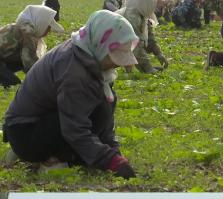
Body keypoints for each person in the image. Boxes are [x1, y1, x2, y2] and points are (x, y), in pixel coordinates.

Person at [2, 10, 139, 179]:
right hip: (24, 131)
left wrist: (114, 153)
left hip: (38, 123)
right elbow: (74, 129)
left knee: (104, 105)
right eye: (114, 57)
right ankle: (47, 160)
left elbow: (104, 116)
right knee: (83, 147)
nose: (117, 64)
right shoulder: (75, 71)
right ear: (100, 45)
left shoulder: (89, 56)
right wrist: (110, 161)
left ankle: (28, 151)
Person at [0, 5, 65, 88]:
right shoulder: (27, 32)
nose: (49, 31)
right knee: (15, 85)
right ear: (41, 23)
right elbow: (29, 61)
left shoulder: (24, 27)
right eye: (48, 27)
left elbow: (28, 61)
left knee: (15, 79)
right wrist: (48, 80)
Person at [117, 0, 169, 73]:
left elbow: (150, 38)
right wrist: (148, 67)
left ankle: (136, 68)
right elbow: (134, 44)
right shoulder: (131, 16)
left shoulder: (142, 13)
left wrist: (159, 53)